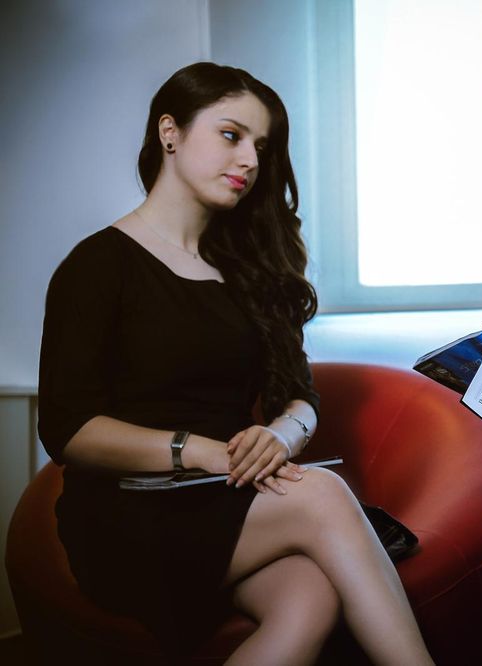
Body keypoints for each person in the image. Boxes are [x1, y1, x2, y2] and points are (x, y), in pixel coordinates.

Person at [38, 62, 434, 665]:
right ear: (169, 132)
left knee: (310, 595)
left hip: (227, 496)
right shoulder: (96, 265)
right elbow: (68, 429)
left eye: (261, 147)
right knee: (324, 494)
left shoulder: (250, 268)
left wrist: (281, 435)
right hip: (128, 514)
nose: (249, 159)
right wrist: (196, 450)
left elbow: (301, 397)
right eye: (231, 135)